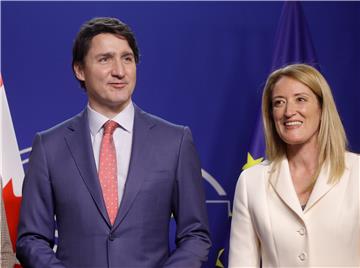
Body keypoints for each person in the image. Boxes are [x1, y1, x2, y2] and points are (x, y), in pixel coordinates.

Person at [16, 17, 211, 267]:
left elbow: (195, 234)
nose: (119, 71)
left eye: (127, 58)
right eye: (105, 59)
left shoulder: (176, 141)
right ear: (80, 69)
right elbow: (31, 239)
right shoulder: (49, 146)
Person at [229, 63, 360, 267]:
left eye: (300, 99)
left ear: (322, 107)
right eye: (279, 102)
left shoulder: (357, 172)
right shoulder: (251, 182)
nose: (289, 111)